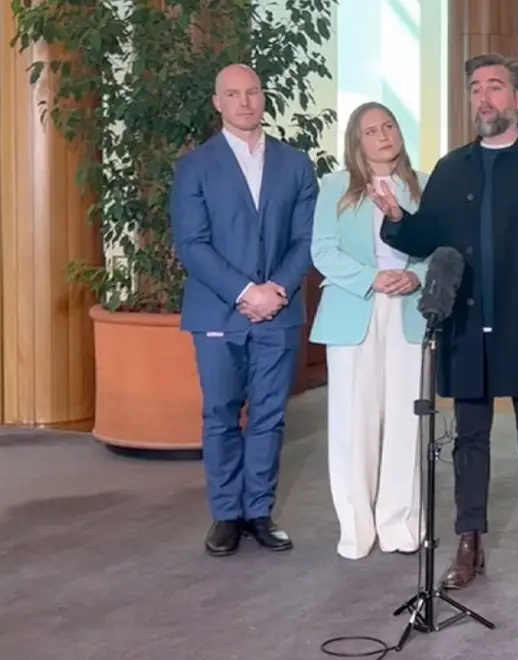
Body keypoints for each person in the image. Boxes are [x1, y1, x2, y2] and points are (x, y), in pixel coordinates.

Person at [366, 52, 518, 594]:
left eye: (496, 87)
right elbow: (426, 237)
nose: (485, 98)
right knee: (469, 438)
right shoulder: (452, 168)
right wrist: (398, 219)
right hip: (466, 324)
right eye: (476, 88)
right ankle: (468, 542)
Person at [170, 63, 317, 557]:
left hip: (280, 309)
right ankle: (226, 515)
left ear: (262, 97)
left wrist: (274, 288)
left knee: (271, 417)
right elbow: (192, 245)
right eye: (233, 94)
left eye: (252, 92)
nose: (245, 101)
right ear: (218, 103)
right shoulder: (195, 166)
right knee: (220, 415)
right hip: (218, 312)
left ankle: (259, 511)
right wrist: (245, 293)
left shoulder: (296, 165)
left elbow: (306, 239)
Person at [309, 102, 429, 560]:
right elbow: (323, 250)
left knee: (406, 420)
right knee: (353, 424)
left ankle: (400, 523)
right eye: (371, 131)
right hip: (354, 308)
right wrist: (369, 278)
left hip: (408, 308)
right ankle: (356, 529)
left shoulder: (422, 186)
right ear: (356, 143)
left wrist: (415, 276)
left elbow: (441, 247)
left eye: (389, 126)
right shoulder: (336, 187)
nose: (383, 136)